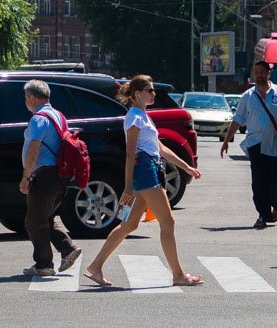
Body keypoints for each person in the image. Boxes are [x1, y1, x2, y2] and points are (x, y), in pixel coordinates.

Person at [83, 75, 204, 287]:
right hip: (145, 171)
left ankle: (95, 266)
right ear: (138, 94)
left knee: (129, 224)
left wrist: (186, 167)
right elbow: (130, 153)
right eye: (150, 90)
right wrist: (128, 186)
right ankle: (178, 275)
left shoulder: (143, 116)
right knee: (168, 223)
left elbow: (160, 148)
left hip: (150, 170)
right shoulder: (135, 117)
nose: (154, 93)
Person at [220, 59, 277, 228]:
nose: (259, 76)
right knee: (259, 184)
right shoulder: (248, 96)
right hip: (255, 145)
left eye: (262, 72)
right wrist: (226, 141)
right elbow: (238, 119)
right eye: (256, 73)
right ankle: (263, 215)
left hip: (275, 146)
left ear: (268, 73)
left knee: (276, 183)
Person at [18, 79, 81, 277]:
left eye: (26, 98)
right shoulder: (59, 115)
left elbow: (34, 149)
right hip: (59, 175)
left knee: (34, 221)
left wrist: (26, 177)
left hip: (44, 176)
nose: (25, 102)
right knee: (46, 217)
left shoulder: (39, 118)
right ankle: (68, 250)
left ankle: (44, 265)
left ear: (32, 97)